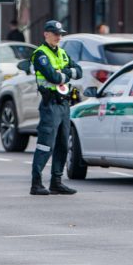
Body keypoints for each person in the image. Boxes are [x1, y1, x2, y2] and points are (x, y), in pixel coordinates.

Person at [29, 19, 83, 196]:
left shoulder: (63, 53)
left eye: (60, 34)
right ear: (46, 34)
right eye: (55, 34)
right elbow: (52, 77)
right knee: (46, 145)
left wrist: (64, 74)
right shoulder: (40, 54)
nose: (59, 37)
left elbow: (79, 71)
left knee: (62, 144)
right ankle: (36, 184)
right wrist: (66, 74)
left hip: (64, 104)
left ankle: (56, 182)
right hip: (50, 104)